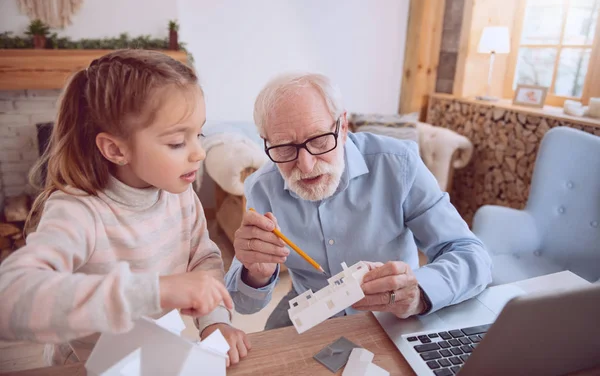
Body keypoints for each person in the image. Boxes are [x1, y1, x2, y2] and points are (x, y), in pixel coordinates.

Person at [0, 50, 250, 366]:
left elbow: (201, 257)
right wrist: (154, 291)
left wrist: (216, 320)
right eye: (176, 142)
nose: (199, 153)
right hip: (84, 365)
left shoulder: (179, 192)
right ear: (116, 149)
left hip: (156, 355)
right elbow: (11, 299)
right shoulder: (78, 211)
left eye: (198, 133)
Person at [225, 73, 492, 330]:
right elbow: (243, 305)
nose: (305, 166)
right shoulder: (261, 187)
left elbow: (472, 256)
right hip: (312, 303)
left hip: (393, 309)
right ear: (266, 142)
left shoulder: (399, 164)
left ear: (343, 127)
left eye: (319, 140)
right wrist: (255, 275)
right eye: (284, 147)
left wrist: (418, 291)